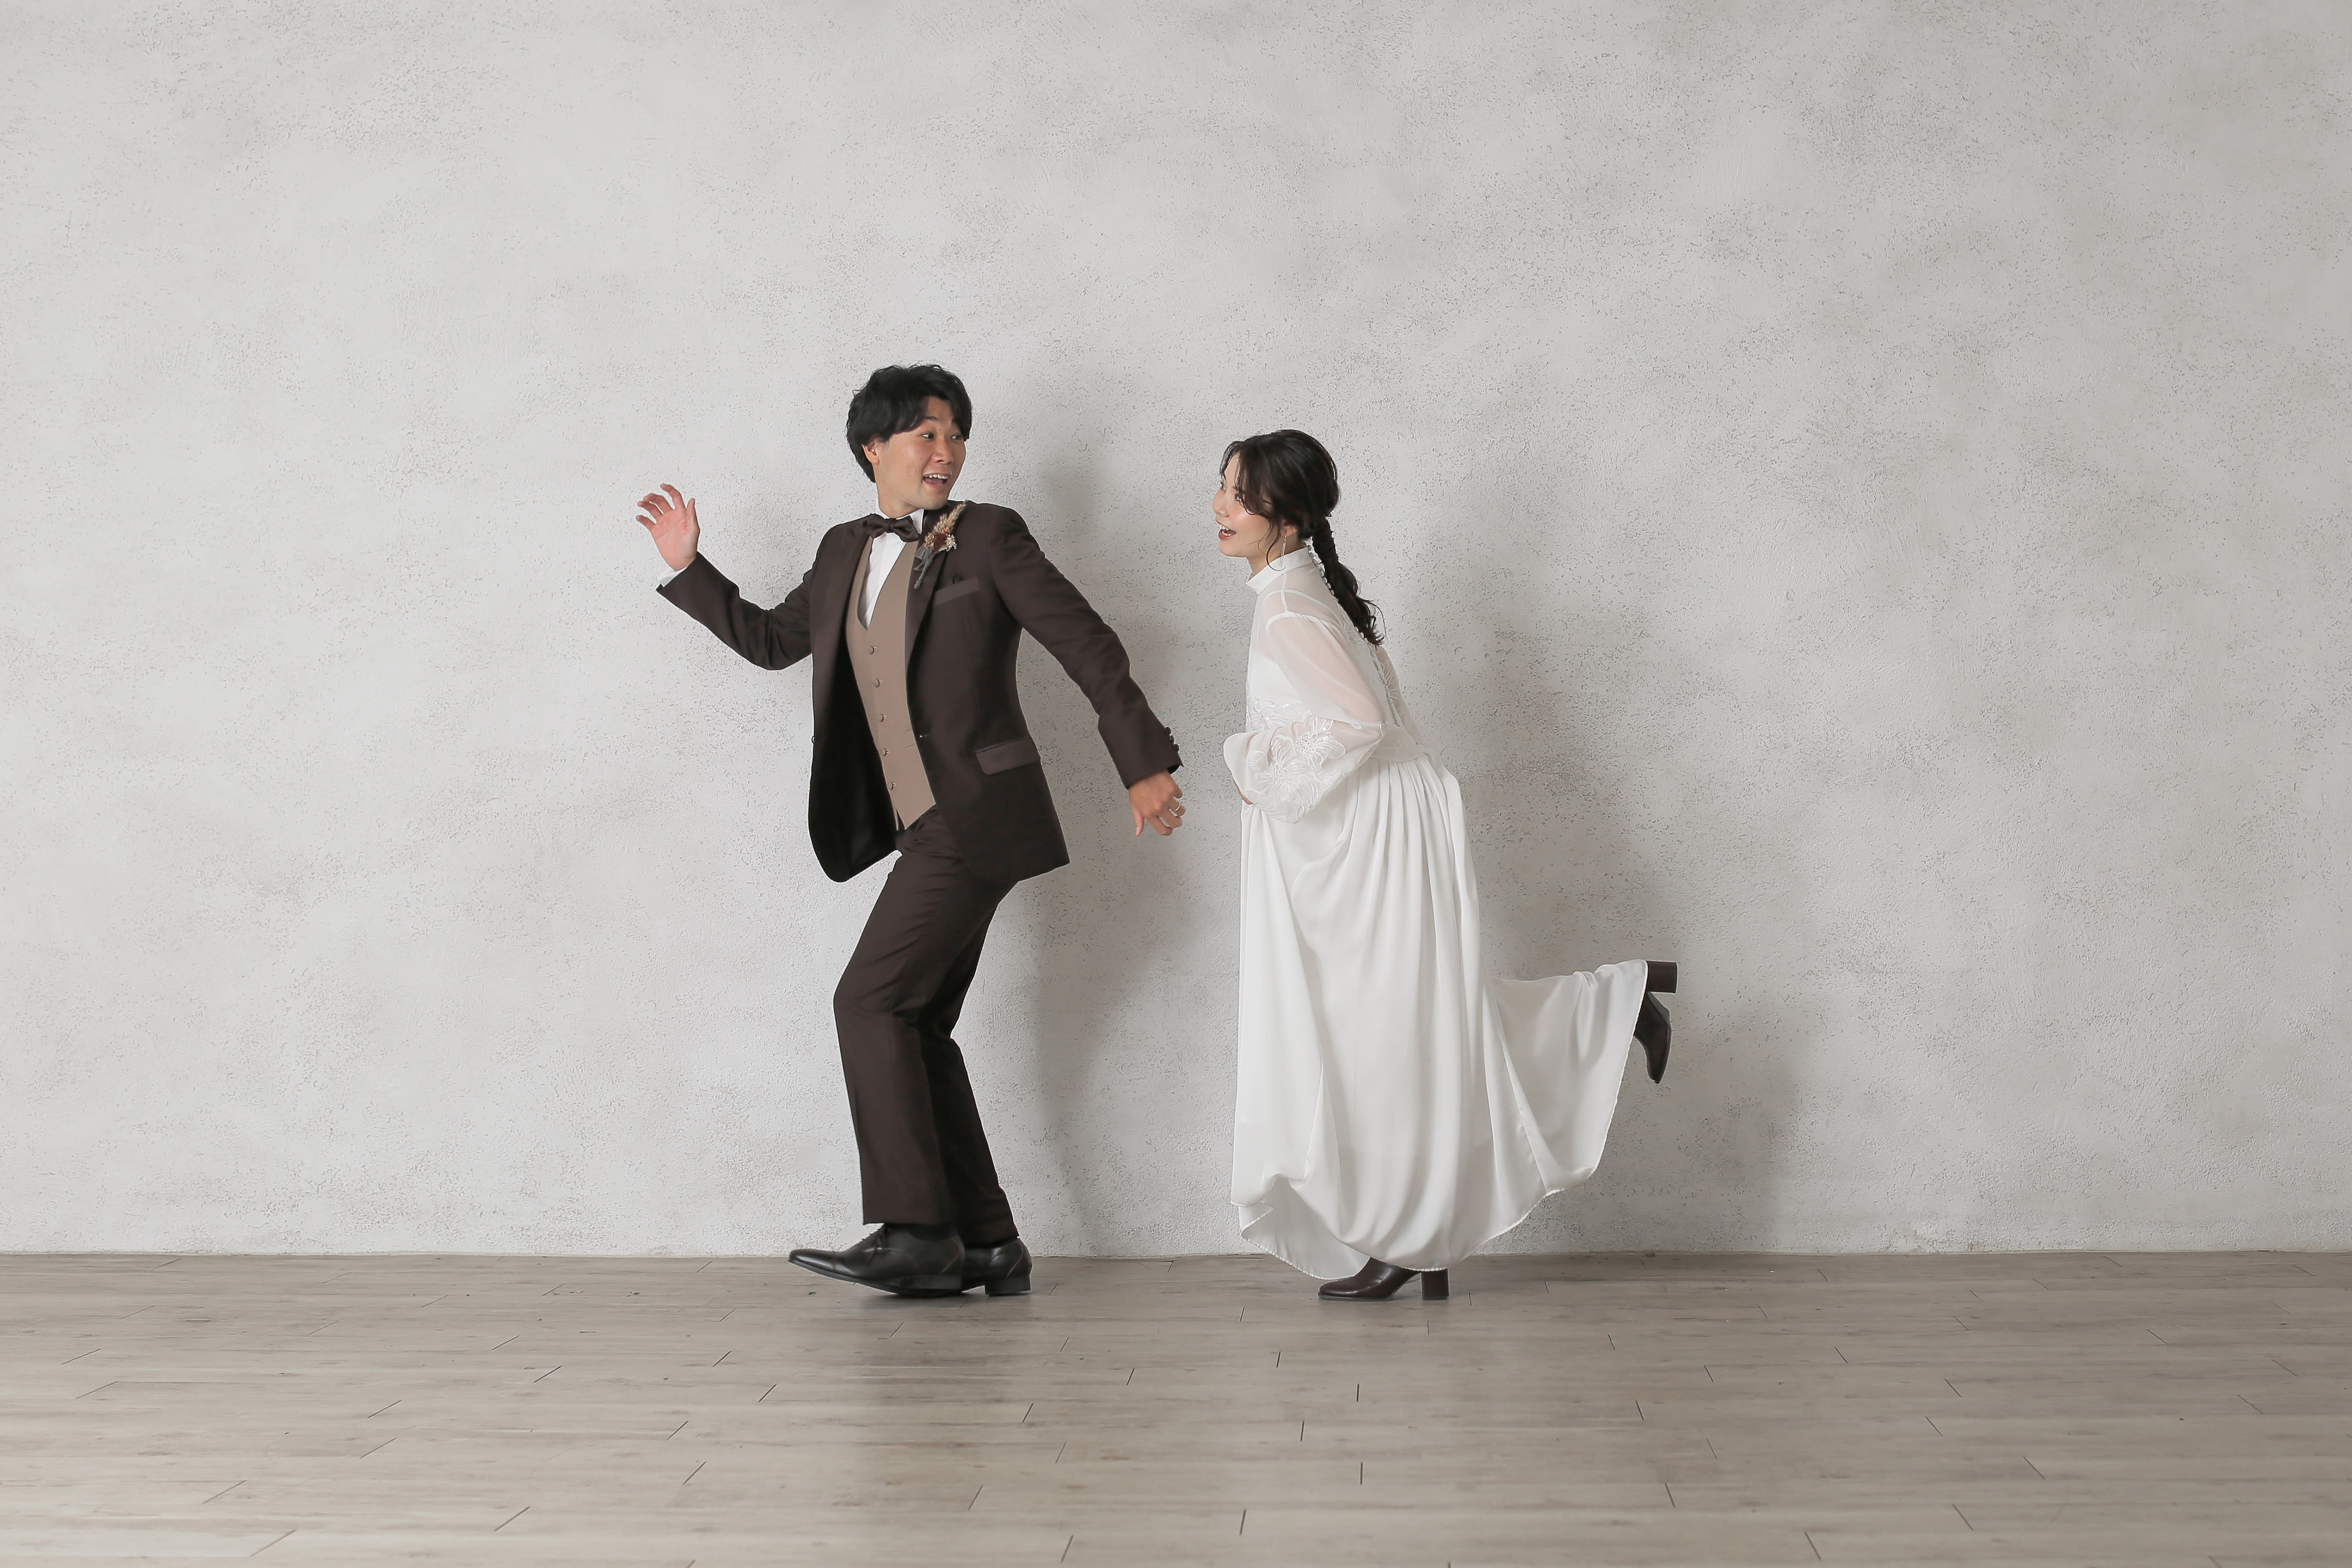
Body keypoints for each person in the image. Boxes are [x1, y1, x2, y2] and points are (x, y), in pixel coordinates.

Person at [636, 364, 1187, 1297]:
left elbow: (1087, 643)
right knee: (917, 1022)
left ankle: (919, 1233)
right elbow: (773, 642)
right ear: (874, 448)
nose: (946, 451)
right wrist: (691, 568)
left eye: (956, 434)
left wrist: (1140, 761)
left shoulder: (990, 536)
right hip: (914, 825)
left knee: (869, 1003)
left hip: (975, 813)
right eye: (927, 434)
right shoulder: (843, 549)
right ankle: (989, 1243)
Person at [1213, 430, 1676, 1301]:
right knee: (1411, 1025)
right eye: (1224, 488)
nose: (1220, 508)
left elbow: (1359, 721)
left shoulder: (1289, 606)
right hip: (1378, 823)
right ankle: (1612, 1007)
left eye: (1240, 495)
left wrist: (1251, 762)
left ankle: (1413, 1233)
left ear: (1290, 517)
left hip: (1367, 836)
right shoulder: (1304, 592)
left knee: (1388, 1035)